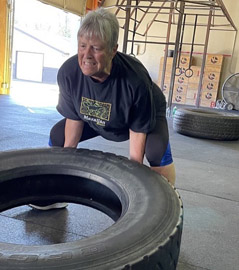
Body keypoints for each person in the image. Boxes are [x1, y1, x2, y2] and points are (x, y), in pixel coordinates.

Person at [51, 8, 176, 185]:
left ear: (113, 50)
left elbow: (138, 133)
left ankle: (168, 206)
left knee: (156, 150)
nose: (86, 56)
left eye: (96, 48)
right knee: (57, 136)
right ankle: (55, 194)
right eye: (82, 46)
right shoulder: (69, 73)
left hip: (137, 119)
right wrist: (63, 169)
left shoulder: (135, 80)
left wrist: (134, 185)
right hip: (96, 117)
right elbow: (74, 119)